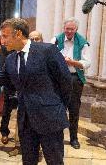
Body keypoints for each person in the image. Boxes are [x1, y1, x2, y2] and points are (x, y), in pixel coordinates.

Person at [0, 18, 72, 165]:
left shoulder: (47, 50)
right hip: (26, 120)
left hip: (50, 118)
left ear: (18, 34)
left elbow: (66, 81)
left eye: (5, 36)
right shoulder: (11, 59)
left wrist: (58, 107)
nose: (2, 41)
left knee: (54, 161)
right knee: (28, 161)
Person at [51, 17, 91, 149]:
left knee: (74, 109)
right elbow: (49, 57)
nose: (68, 31)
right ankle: (57, 137)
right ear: (64, 28)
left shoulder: (83, 42)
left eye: (71, 29)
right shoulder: (56, 40)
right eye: (67, 29)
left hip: (74, 77)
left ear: (76, 29)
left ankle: (74, 138)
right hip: (59, 78)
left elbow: (87, 63)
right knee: (58, 108)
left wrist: (73, 62)